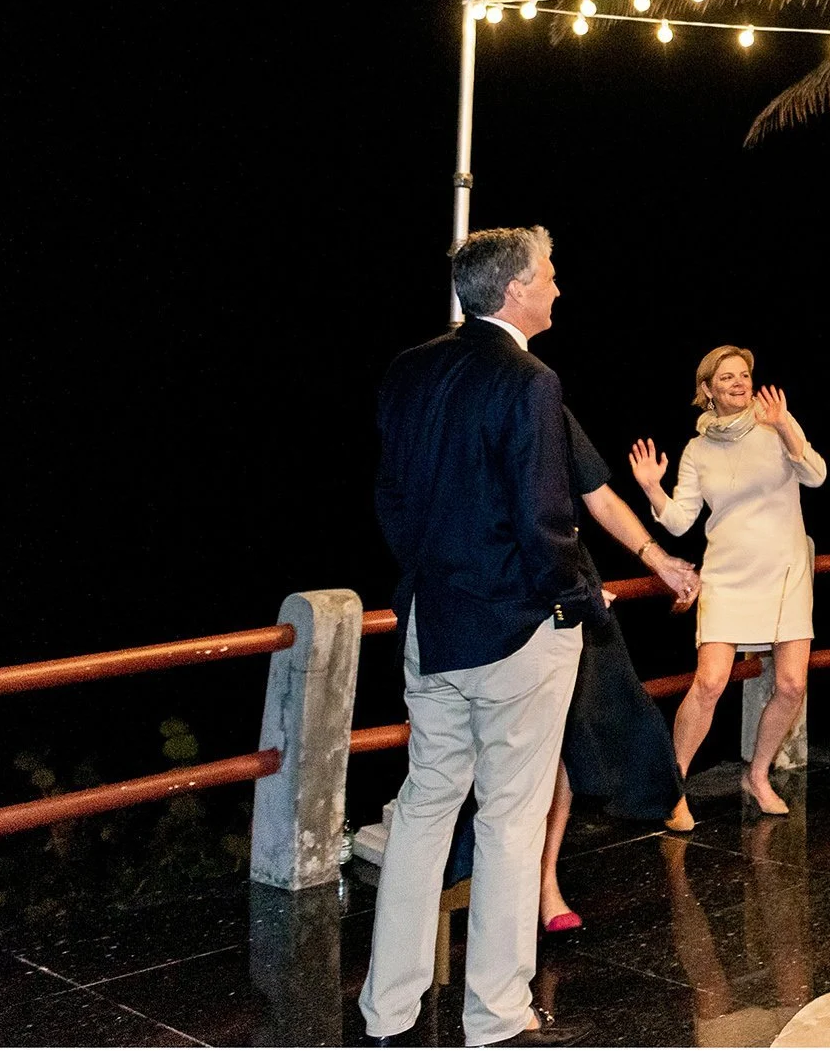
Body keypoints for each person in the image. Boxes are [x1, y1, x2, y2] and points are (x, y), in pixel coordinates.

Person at [361, 225, 592, 1048]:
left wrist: (432, 576)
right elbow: (543, 518)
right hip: (511, 631)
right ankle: (494, 1015)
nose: (558, 287)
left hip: (431, 621)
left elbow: (392, 499)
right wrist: (573, 600)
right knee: (509, 819)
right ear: (515, 288)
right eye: (550, 274)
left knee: (424, 807)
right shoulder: (529, 380)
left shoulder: (410, 367)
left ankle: (386, 1009)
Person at [632, 346, 826, 825]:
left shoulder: (777, 423)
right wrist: (653, 488)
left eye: (744, 374)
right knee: (711, 681)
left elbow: (817, 476)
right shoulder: (697, 450)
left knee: (791, 683)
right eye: (727, 377)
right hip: (727, 575)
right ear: (707, 390)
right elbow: (680, 521)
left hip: (785, 572)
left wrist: (784, 427)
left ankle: (757, 775)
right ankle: (674, 786)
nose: (739, 382)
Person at [539, 408, 700, 934]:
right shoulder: (455, 401)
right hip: (505, 585)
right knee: (514, 745)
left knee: (567, 734)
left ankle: (544, 882)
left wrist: (659, 559)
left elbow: (598, 495)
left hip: (567, 577)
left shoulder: (546, 398)